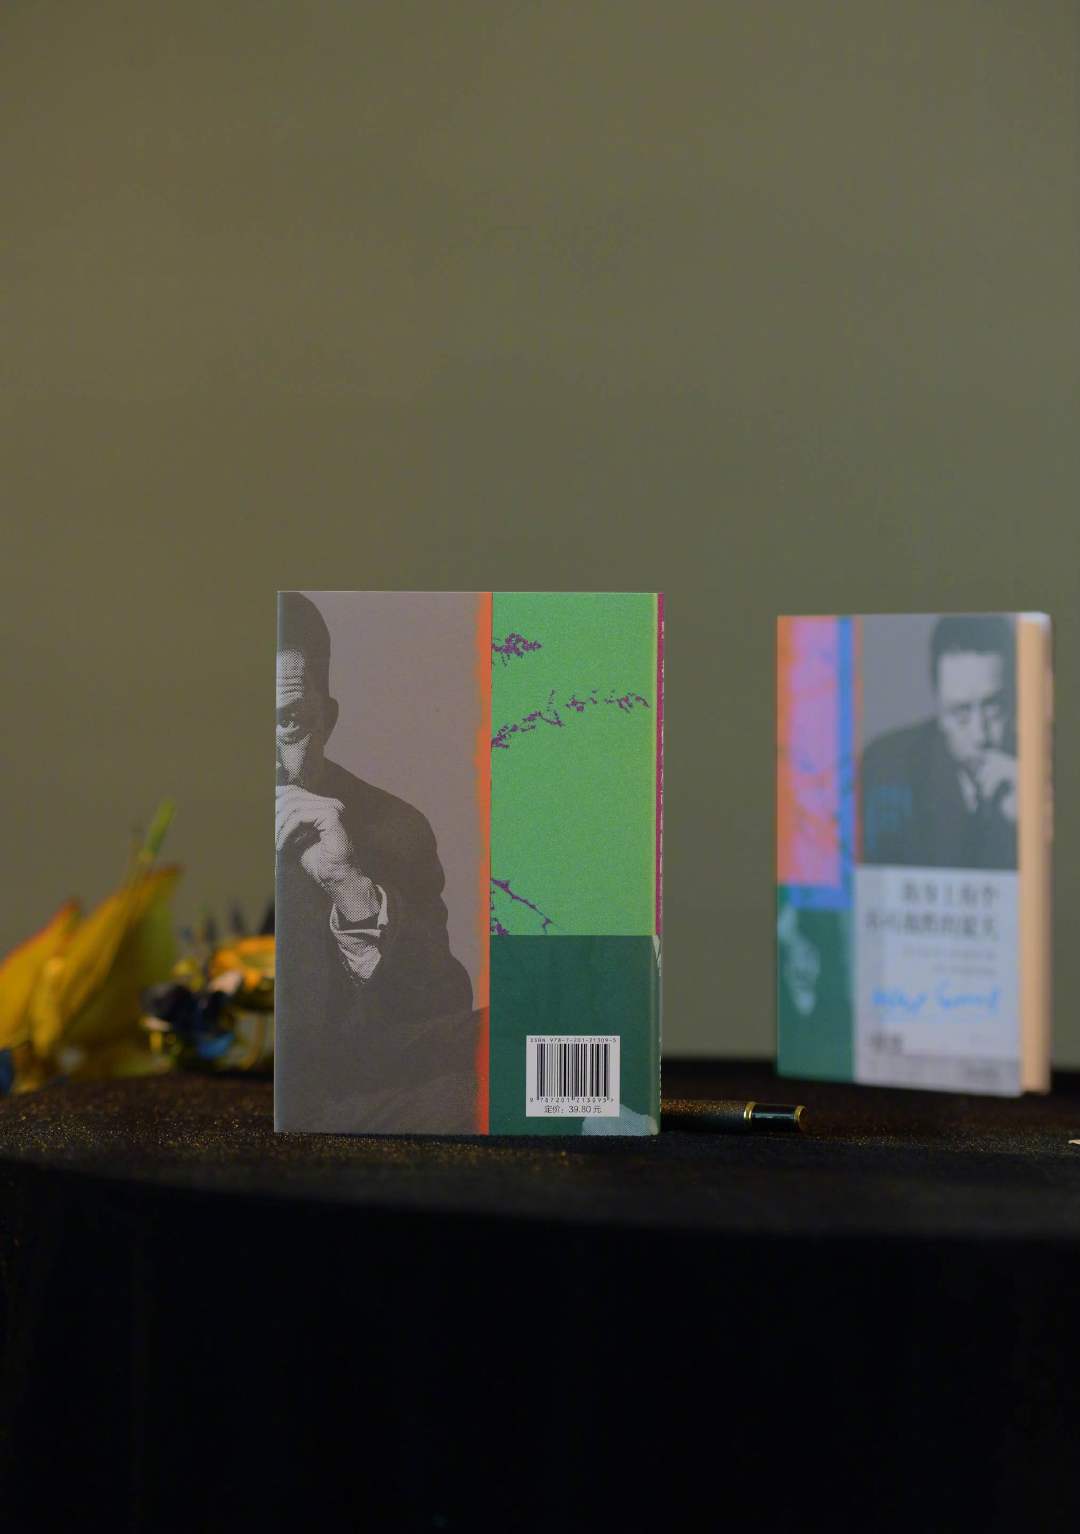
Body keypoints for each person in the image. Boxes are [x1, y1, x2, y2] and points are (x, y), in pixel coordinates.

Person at [274, 591, 477, 1132]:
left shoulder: (394, 831)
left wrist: (352, 890)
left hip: (329, 1111)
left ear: (327, 721)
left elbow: (441, 1024)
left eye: (288, 722)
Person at [861, 615, 1017, 870]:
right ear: (939, 708)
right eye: (960, 712)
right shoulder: (886, 768)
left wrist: (1032, 822)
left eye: (994, 707)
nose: (980, 735)